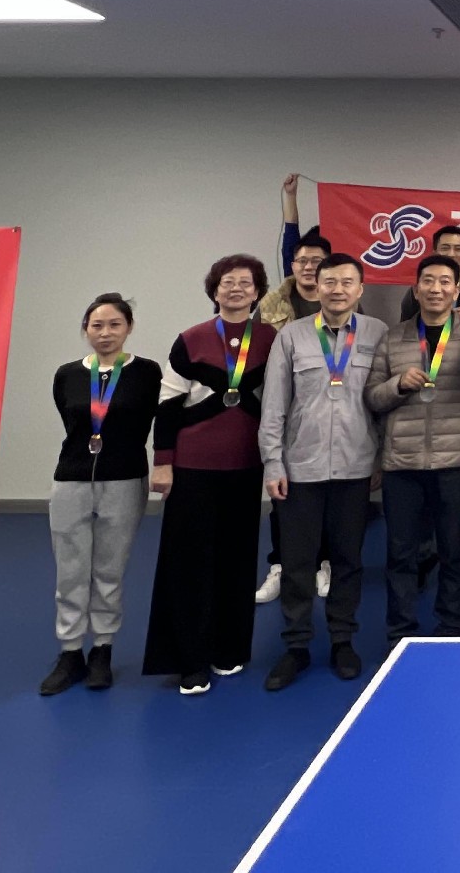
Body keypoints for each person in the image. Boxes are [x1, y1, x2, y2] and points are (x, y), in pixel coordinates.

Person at [142, 257, 275, 695]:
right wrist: (163, 461)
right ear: (214, 291)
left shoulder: (272, 340)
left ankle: (228, 648)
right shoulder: (191, 339)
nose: (235, 289)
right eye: (226, 282)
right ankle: (190, 660)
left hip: (246, 466)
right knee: (189, 563)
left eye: (245, 283)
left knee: (238, 559)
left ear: (257, 292)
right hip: (192, 467)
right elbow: (167, 405)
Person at [259, 253, 388, 690]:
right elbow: (274, 405)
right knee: (297, 563)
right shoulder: (291, 336)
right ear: (316, 287)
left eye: (347, 282)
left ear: (360, 289)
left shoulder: (377, 333)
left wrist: (380, 459)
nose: (337, 290)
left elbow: (383, 403)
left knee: (348, 560)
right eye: (329, 282)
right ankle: (296, 645)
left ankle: (342, 640)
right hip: (301, 468)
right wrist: (273, 462)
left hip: (356, 466)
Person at [41, 294, 162, 696]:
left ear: (128, 328)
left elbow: (154, 420)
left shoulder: (147, 372)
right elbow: (70, 420)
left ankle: (102, 650)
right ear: (85, 330)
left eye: (114, 324)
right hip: (71, 479)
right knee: (70, 571)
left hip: (124, 479)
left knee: (110, 570)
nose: (105, 333)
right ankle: (70, 651)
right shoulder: (67, 374)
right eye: (97, 325)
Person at [366, 254, 460, 648]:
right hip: (402, 463)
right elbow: (372, 398)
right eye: (428, 281)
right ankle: (400, 633)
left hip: (454, 461)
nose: (436, 289)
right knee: (401, 554)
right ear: (416, 290)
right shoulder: (393, 338)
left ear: (456, 290)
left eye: (444, 282)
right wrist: (398, 384)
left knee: (454, 552)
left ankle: (450, 628)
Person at [255, 225, 333, 605]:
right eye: (301, 260)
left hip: (330, 413)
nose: (307, 266)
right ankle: (280, 564)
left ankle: (323, 562)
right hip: (285, 411)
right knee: (283, 494)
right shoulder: (271, 307)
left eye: (316, 261)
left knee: (328, 497)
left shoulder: (342, 303)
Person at [398, 225, 460, 320]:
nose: (451, 254)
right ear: (435, 253)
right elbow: (406, 325)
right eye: (445, 248)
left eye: (458, 249)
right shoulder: (421, 289)